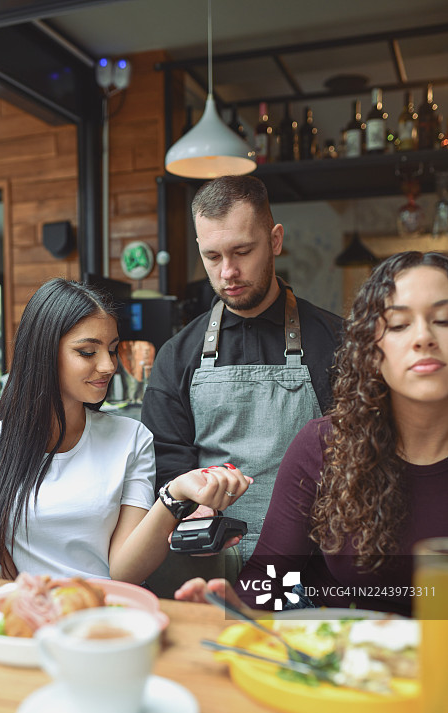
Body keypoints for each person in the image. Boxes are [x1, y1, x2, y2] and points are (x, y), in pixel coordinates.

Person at [175, 251, 448, 617]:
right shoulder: (324, 446)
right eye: (399, 325)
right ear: (372, 349)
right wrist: (235, 608)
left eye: (443, 319)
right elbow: (272, 575)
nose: (424, 338)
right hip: (347, 657)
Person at [0, 278, 251, 582]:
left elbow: (124, 572)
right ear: (43, 353)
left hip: (109, 617)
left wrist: (174, 496)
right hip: (23, 618)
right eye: (87, 352)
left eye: (112, 349)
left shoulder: (131, 439)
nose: (109, 365)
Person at [141, 175, 342, 562]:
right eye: (212, 257)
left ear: (275, 241)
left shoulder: (337, 342)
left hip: (314, 560)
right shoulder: (177, 355)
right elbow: (166, 459)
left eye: (242, 251)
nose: (227, 271)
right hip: (212, 560)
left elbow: (363, 456)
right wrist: (189, 506)